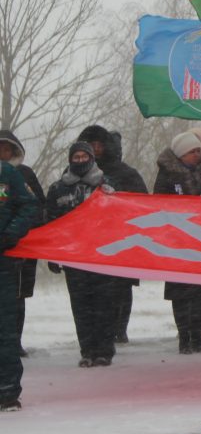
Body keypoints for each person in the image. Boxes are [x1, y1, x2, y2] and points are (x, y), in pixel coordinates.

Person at [46, 142, 118, 367]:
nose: (79, 160)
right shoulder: (58, 189)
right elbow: (52, 223)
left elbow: (118, 218)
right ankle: (87, 350)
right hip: (73, 257)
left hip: (102, 255)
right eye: (75, 157)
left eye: (83, 156)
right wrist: (53, 254)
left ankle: (105, 350)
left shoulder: (106, 185)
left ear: (92, 159)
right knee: (81, 306)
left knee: (104, 305)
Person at [154, 130, 201, 354]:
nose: (197, 155)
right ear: (181, 154)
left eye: (198, 151)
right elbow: (159, 206)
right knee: (180, 293)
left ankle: (197, 334)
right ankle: (184, 336)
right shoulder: (166, 175)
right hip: (178, 241)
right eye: (192, 151)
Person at [77, 125, 147, 343]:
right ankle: (96, 332)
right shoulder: (75, 174)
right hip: (88, 242)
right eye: (92, 145)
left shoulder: (126, 174)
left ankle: (119, 329)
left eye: (99, 144)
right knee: (90, 291)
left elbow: (142, 205)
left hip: (120, 239)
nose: (96, 149)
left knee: (121, 288)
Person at [0, 131, 45, 357]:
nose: (2, 154)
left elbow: (36, 207)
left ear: (14, 151)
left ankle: (14, 342)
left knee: (15, 300)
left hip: (20, 250)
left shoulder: (23, 175)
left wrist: (13, 233)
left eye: (6, 149)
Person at [0, 157, 39, 412]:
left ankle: (7, 390)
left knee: (5, 329)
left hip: (3, 263)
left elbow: (29, 207)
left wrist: (10, 234)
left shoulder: (7, 173)